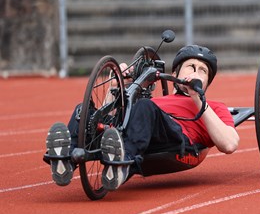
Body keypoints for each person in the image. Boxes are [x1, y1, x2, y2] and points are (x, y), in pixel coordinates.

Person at [44, 45, 239, 191]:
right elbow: (110, 117)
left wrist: (197, 97)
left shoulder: (214, 108)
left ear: (207, 82)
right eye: (191, 67)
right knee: (84, 111)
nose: (196, 72)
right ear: (174, 74)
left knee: (145, 106)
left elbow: (229, 144)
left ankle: (123, 164)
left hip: (176, 141)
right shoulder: (158, 103)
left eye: (203, 71)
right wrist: (120, 83)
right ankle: (66, 160)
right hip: (136, 130)